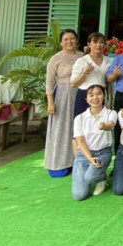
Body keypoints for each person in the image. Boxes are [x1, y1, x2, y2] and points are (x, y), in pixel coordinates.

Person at [44, 29, 85, 177]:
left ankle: (76, 161)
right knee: (61, 129)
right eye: (66, 39)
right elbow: (49, 81)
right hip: (61, 94)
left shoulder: (82, 57)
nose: (69, 42)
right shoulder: (56, 59)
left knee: (77, 128)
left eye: (72, 39)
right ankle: (58, 164)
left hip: (79, 94)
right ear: (61, 42)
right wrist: (50, 102)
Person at [71, 85, 117, 200]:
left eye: (99, 94)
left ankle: (101, 179)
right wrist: (89, 158)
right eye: (91, 95)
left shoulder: (111, 113)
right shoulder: (79, 118)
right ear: (86, 99)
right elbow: (80, 141)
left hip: (103, 153)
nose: (95, 97)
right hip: (84, 154)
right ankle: (96, 175)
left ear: (104, 97)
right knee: (78, 196)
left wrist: (104, 126)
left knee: (89, 178)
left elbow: (111, 124)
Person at [70, 32, 112, 117]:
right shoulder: (82, 61)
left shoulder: (108, 60)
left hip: (100, 96)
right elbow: (73, 83)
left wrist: (110, 99)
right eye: (95, 42)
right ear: (89, 44)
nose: (98, 45)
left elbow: (108, 82)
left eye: (101, 42)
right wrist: (85, 73)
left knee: (100, 125)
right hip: (84, 95)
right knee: (83, 125)